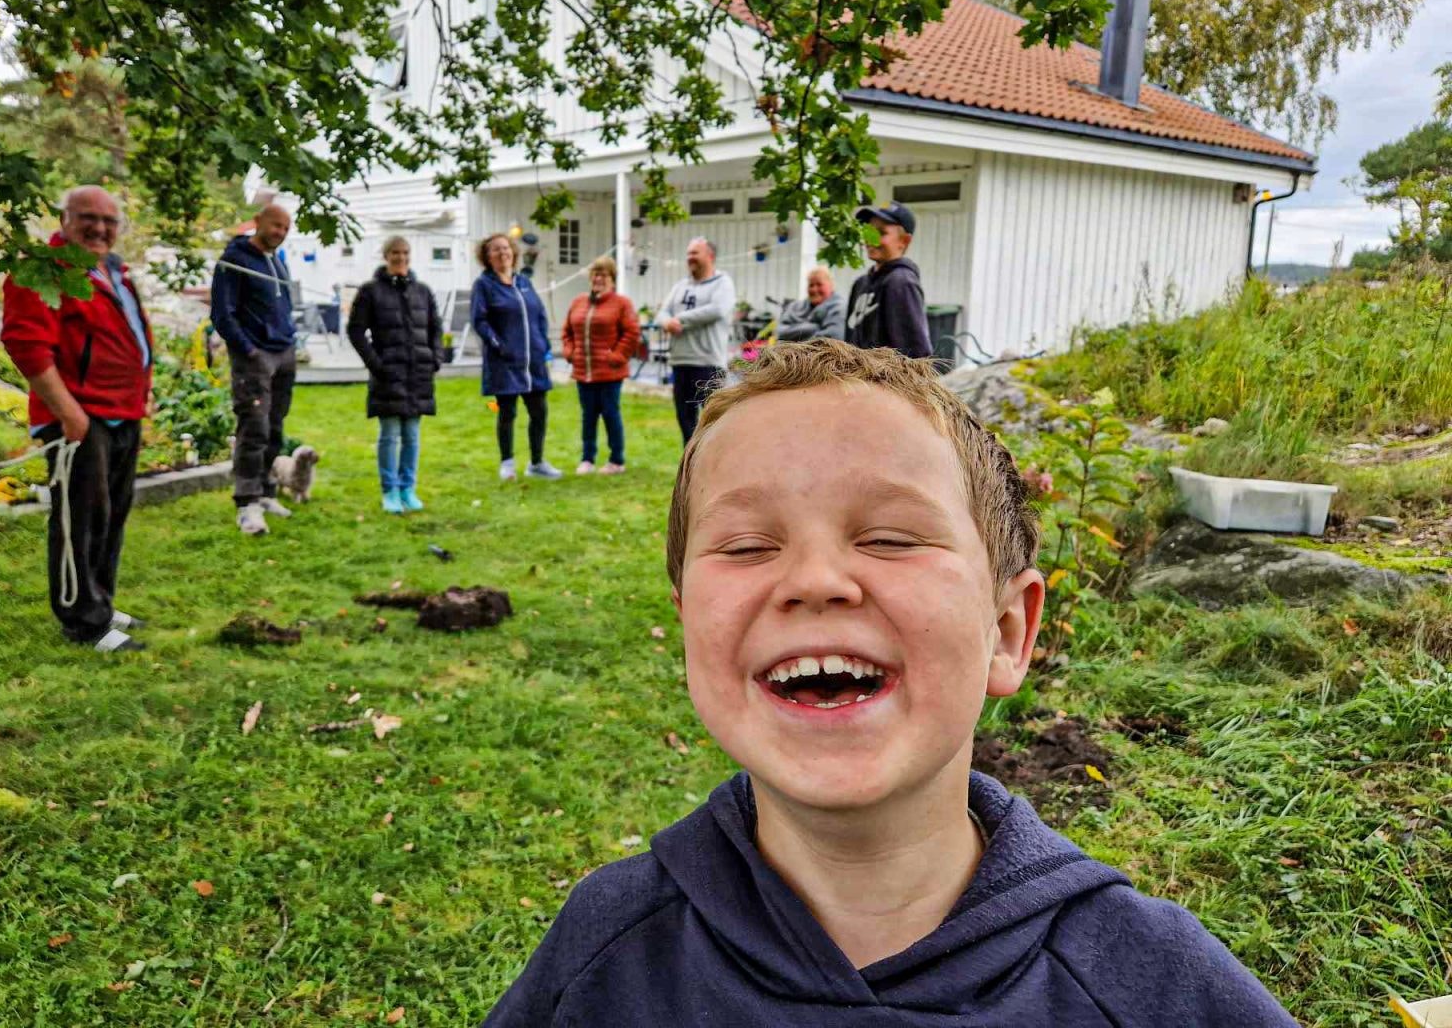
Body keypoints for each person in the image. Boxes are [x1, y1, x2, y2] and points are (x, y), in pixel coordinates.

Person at [484, 340, 1299, 1027]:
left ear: (1007, 633)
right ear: (691, 623)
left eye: (888, 537)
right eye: (744, 547)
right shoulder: (602, 956)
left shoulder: (1153, 987)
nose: (813, 579)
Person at [0, 186, 153, 653]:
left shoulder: (112, 271)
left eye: (110, 221)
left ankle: (100, 602)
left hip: (120, 412)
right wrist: (68, 412)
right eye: (88, 217)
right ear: (64, 219)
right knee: (80, 519)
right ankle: (84, 623)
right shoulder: (42, 270)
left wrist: (140, 396)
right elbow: (26, 344)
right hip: (80, 418)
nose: (100, 228)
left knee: (111, 516)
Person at [210, 203, 299, 535]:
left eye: (285, 229)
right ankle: (246, 503)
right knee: (254, 426)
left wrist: (290, 339)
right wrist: (248, 349)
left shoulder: (275, 261)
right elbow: (222, 313)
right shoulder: (234, 259)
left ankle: (264, 492)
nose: (279, 233)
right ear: (258, 222)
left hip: (283, 352)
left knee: (275, 426)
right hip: (254, 356)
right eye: (275, 225)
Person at [346, 235, 442, 514]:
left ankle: (407, 488)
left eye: (405, 253)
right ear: (386, 256)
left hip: (418, 374)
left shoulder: (422, 291)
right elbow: (355, 331)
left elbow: (436, 328)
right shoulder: (370, 291)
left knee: (412, 434)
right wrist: (376, 364)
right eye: (395, 253)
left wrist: (435, 359)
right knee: (389, 434)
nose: (401, 258)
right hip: (388, 373)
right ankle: (389, 490)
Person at [471, 232, 561, 480]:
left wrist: (543, 344)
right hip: (505, 361)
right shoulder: (484, 285)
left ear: (513, 252)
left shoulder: (523, 282)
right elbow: (479, 320)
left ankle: (537, 462)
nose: (503, 253)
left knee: (539, 411)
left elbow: (539, 314)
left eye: (506, 248)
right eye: (496, 250)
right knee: (507, 412)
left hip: (533, 361)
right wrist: (498, 344)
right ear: (487, 257)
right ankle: (507, 463)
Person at [560, 255, 641, 475]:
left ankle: (617, 460)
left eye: (603, 275)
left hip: (609, 374)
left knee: (610, 414)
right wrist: (569, 352)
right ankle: (587, 459)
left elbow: (632, 332)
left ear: (612, 279)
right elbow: (567, 331)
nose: (598, 279)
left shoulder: (622, 304)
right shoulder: (578, 302)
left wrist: (616, 356)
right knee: (588, 417)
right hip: (583, 373)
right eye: (595, 274)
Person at [655, 237, 736, 443]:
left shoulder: (723, 283)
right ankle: (689, 467)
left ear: (710, 256)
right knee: (686, 420)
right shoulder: (680, 286)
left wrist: (679, 320)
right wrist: (666, 322)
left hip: (708, 363)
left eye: (695, 253)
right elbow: (662, 312)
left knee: (714, 422)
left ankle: (715, 468)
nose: (689, 258)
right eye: (688, 253)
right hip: (681, 362)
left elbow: (717, 309)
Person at [845, 201, 932, 358]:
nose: (871, 239)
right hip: (857, 380)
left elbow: (915, 354)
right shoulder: (860, 284)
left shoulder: (901, 282)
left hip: (883, 381)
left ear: (904, 241)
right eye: (869, 231)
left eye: (881, 233)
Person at [774, 267, 846, 341]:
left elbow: (833, 339)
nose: (814, 289)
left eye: (819, 284)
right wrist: (813, 328)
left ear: (831, 286)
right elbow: (779, 332)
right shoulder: (795, 306)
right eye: (811, 285)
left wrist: (796, 338)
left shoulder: (839, 307)